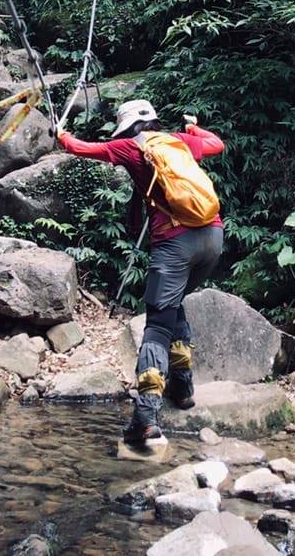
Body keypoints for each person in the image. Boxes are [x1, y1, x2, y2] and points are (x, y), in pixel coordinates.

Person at [57, 98, 224, 446]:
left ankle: (146, 417)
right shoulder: (179, 141)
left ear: (130, 125)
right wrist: (193, 126)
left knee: (158, 325)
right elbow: (216, 144)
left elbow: (85, 149)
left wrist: (61, 135)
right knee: (173, 306)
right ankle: (182, 389)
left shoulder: (131, 147)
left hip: (175, 244)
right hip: (213, 236)